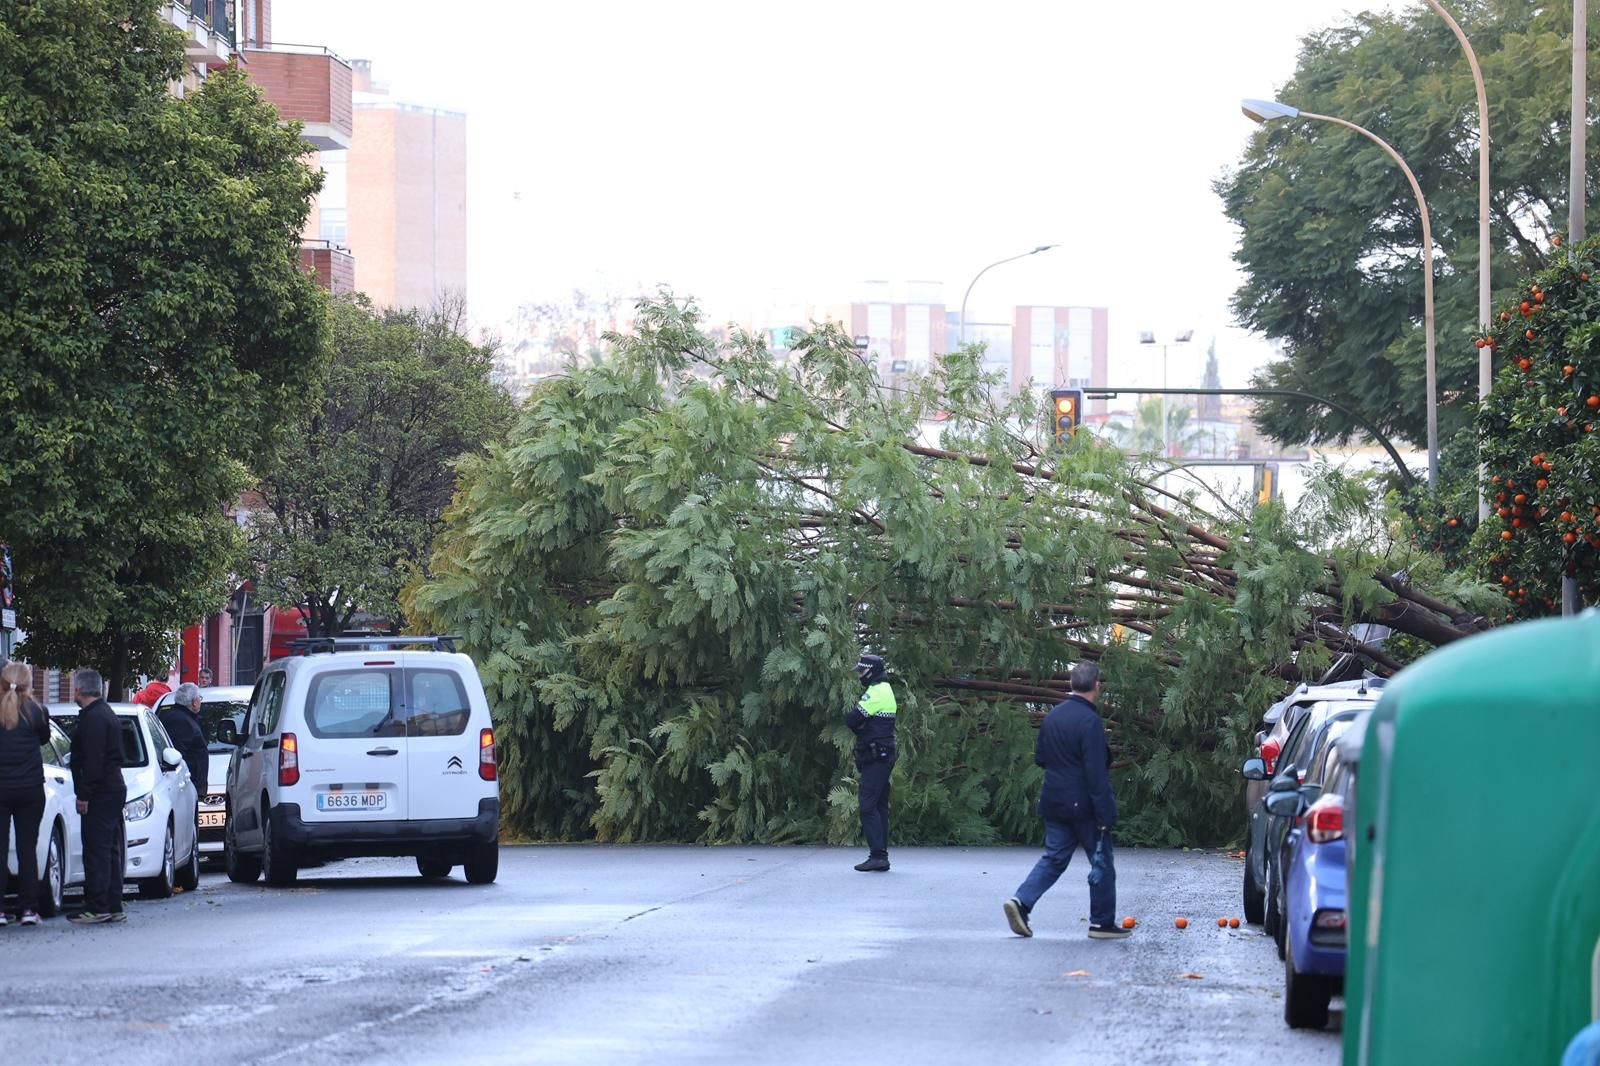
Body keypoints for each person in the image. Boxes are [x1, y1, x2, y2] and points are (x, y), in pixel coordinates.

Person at [1004, 661, 1129, 939]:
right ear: (1097, 686)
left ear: (1070, 684)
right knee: (1102, 862)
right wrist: (1105, 812)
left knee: (1054, 858)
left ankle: (1022, 902)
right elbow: (1096, 772)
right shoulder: (1090, 721)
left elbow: (1041, 758)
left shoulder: (1053, 717)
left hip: (1053, 799)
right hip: (1084, 804)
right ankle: (1101, 922)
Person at [68, 669, 126, 925]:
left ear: (79, 690)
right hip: (113, 787)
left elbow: (93, 761)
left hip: (101, 790)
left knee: (97, 849)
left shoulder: (93, 719)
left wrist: (84, 794)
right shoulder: (106, 714)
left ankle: (97, 906)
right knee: (109, 848)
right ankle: (113, 904)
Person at [0, 662, 50, 925]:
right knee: (26, 849)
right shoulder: (37, 711)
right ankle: (29, 909)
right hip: (30, 789)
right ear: (28, 683)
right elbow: (44, 740)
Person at [845, 652, 897, 872]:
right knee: (879, 805)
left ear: (871, 671)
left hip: (877, 756)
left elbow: (852, 719)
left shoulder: (877, 692)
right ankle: (880, 855)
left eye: (862, 671)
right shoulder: (884, 690)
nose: (859, 676)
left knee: (867, 805)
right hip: (883, 755)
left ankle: (878, 856)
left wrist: (862, 725)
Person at [157, 682, 208, 796]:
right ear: (194, 702)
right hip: (185, 784)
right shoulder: (182, 721)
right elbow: (179, 754)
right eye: (199, 698)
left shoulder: (178, 716)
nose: (200, 701)